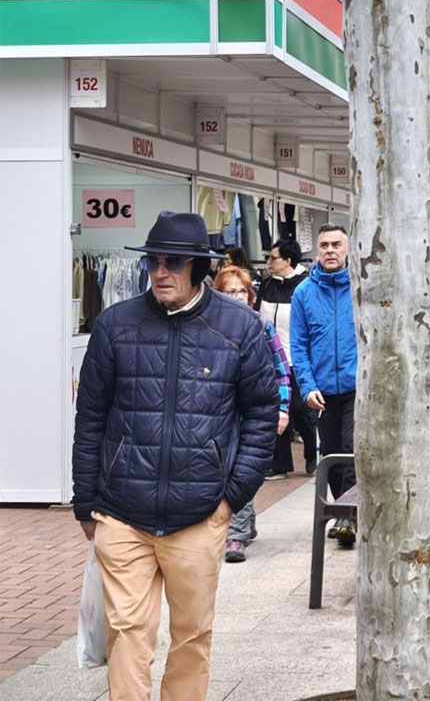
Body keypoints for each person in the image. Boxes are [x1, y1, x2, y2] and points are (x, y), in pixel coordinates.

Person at [73, 211, 278, 700]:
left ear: (198, 268)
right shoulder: (115, 325)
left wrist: (230, 497)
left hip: (199, 512)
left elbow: (261, 416)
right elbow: (90, 418)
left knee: (191, 636)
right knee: (129, 632)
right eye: (153, 262)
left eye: (173, 263)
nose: (160, 272)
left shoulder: (240, 328)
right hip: (122, 512)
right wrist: (87, 503)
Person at [214, 267, 291, 563]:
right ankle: (242, 525)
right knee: (226, 468)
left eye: (241, 291)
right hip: (219, 412)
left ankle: (236, 536)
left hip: (253, 411)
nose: (236, 297)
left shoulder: (261, 326)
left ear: (251, 296)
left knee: (242, 467)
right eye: (229, 291)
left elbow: (281, 371)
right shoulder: (208, 326)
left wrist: (282, 409)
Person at [291, 223, 358, 546]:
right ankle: (343, 509)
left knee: (350, 450)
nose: (330, 250)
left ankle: (347, 515)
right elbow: (298, 346)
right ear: (317, 251)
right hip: (321, 391)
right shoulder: (303, 293)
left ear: (347, 249)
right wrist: (307, 386)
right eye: (324, 245)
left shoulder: (361, 288)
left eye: (336, 245)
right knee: (329, 454)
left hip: (356, 386)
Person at [255, 238, 318, 477]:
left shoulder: (306, 286)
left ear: (288, 260)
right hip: (270, 358)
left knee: (301, 411)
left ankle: (312, 455)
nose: (269, 262)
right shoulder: (267, 283)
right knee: (275, 410)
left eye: (273, 258)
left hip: (297, 358)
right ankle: (280, 463)